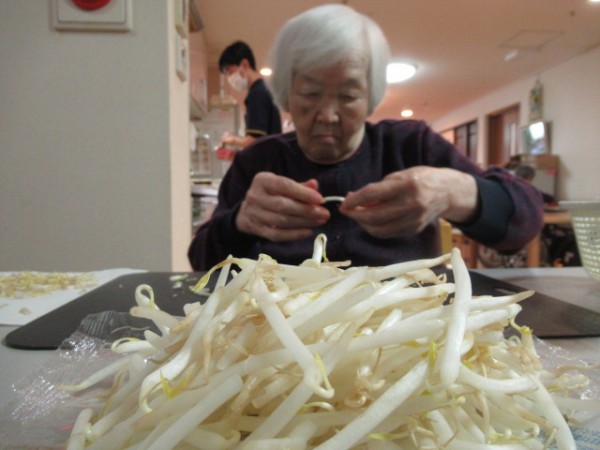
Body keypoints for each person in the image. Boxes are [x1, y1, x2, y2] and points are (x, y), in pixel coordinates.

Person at [188, 4, 544, 271]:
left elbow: (525, 221)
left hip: (404, 331)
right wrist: (240, 222)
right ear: (286, 94)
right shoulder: (258, 162)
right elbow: (200, 261)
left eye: (348, 96)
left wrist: (454, 192)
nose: (328, 115)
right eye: (310, 93)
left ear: (371, 96)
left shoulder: (411, 146)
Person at [218, 40, 282, 149]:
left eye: (230, 72)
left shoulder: (257, 94)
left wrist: (232, 139)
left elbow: (255, 141)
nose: (230, 79)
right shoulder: (264, 89)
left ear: (244, 64)